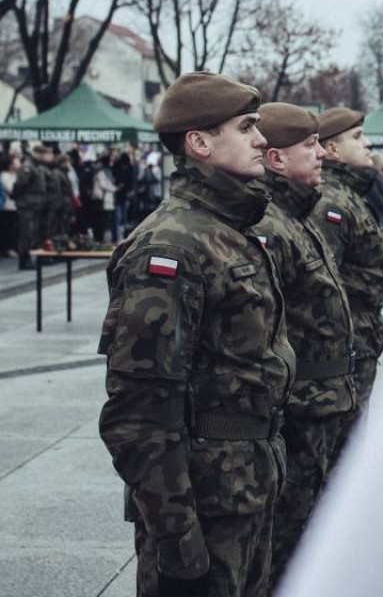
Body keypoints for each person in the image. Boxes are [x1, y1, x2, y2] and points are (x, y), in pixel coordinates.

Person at [97, 72, 295, 597]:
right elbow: (139, 416)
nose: (261, 139)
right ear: (200, 143)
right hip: (205, 510)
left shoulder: (231, 231)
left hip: (247, 493)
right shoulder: (172, 247)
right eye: (246, 127)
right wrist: (178, 541)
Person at [249, 103, 359, 588]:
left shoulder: (299, 215)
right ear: (275, 159)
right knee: (286, 543)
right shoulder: (272, 226)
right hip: (301, 408)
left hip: (325, 401)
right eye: (309, 145)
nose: (321, 154)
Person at [314, 108, 383, 414]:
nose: (368, 144)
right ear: (332, 149)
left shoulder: (348, 194)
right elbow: (325, 281)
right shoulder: (330, 201)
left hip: (360, 340)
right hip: (346, 344)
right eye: (357, 137)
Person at [13, 143, 50, 269]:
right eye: (42, 154)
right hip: (27, 205)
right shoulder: (28, 166)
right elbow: (19, 185)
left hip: (35, 205)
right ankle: (24, 260)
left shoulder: (37, 166)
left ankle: (28, 258)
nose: (44, 156)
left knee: (32, 233)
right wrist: (19, 199)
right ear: (37, 154)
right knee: (26, 233)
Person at [0, 154, 19, 257]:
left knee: (14, 228)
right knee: (8, 229)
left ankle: (13, 246)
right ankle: (7, 248)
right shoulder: (4, 176)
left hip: (16, 206)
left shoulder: (15, 175)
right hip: (8, 206)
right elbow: (11, 189)